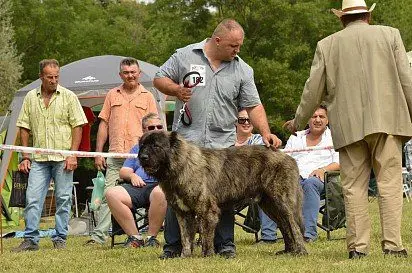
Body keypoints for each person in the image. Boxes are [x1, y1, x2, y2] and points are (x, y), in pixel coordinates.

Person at [284, 0, 412, 259]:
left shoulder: (327, 45)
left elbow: (312, 90)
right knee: (389, 184)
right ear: (368, 16)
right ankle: (393, 246)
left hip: (349, 126)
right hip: (388, 123)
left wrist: (298, 122)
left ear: (342, 19)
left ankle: (358, 248)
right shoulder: (391, 35)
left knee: (353, 187)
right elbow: (407, 81)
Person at [153, 18, 282, 259]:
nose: (237, 50)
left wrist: (266, 133)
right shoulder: (185, 55)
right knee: (177, 193)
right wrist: (176, 90)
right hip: (185, 146)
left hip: (221, 146)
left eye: (239, 46)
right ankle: (173, 247)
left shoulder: (243, 69)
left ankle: (225, 246)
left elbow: (253, 105)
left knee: (224, 197)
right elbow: (159, 78)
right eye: (234, 46)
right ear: (218, 40)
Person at [12, 59, 88, 252]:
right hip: (38, 159)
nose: (54, 80)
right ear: (41, 77)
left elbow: (77, 126)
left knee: (63, 198)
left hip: (63, 158)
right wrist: (25, 156)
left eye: (56, 77)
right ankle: (30, 239)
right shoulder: (30, 97)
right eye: (49, 77)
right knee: (33, 198)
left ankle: (60, 237)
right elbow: (24, 128)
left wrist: (72, 155)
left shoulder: (69, 96)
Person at [85, 57, 159, 245]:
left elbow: (155, 125)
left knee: (146, 192)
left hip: (141, 156)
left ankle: (145, 235)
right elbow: (104, 124)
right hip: (116, 154)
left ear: (139, 73)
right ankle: (98, 236)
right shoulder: (112, 94)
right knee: (107, 195)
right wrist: (99, 152)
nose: (130, 76)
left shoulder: (148, 96)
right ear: (120, 75)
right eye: (126, 72)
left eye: (133, 72)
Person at [264, 106, 340, 243]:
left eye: (321, 117)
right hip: (294, 178)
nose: (317, 120)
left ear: (328, 120)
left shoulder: (334, 137)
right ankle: (268, 236)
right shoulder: (296, 137)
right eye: (313, 116)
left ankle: (308, 235)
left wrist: (323, 170)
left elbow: (338, 162)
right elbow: (284, 158)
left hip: (320, 180)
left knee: (310, 184)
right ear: (308, 119)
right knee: (269, 186)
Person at [105, 113, 167, 248]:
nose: (156, 130)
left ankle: (152, 238)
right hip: (138, 187)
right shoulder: (137, 148)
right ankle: (135, 237)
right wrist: (133, 176)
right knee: (112, 193)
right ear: (144, 130)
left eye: (159, 126)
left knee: (160, 191)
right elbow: (124, 171)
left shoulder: (169, 147)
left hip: (160, 186)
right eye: (151, 127)